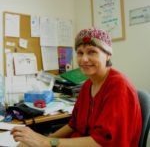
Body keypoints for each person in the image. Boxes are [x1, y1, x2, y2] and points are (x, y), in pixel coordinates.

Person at [11, 28, 142, 147]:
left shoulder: (119, 87)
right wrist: (43, 140)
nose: (84, 59)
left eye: (92, 52)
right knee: (24, 145)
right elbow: (73, 125)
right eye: (80, 53)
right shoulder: (87, 85)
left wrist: (45, 142)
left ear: (108, 55)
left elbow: (103, 143)